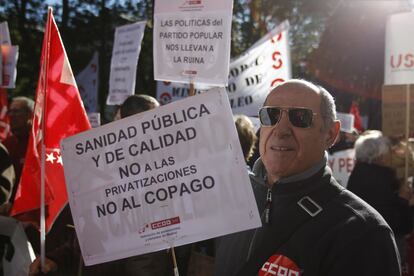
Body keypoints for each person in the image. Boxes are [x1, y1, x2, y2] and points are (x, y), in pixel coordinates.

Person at [214, 79, 401, 275]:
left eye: (300, 117)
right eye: (271, 115)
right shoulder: (233, 203)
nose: (281, 130)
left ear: (330, 134)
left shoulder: (363, 232)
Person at [29, 94, 181, 276]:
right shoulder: (98, 170)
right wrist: (56, 258)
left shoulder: (165, 173)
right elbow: (87, 235)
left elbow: (148, 253)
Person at [347, 130, 413, 266]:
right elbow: (392, 221)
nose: (391, 154)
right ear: (380, 156)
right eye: (389, 151)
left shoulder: (360, 173)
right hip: (383, 251)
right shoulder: (379, 180)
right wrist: (403, 199)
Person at [3, 96, 34, 204]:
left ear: (30, 114)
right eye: (10, 112)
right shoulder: (6, 145)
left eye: (16, 111)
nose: (11, 116)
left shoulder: (41, 144)